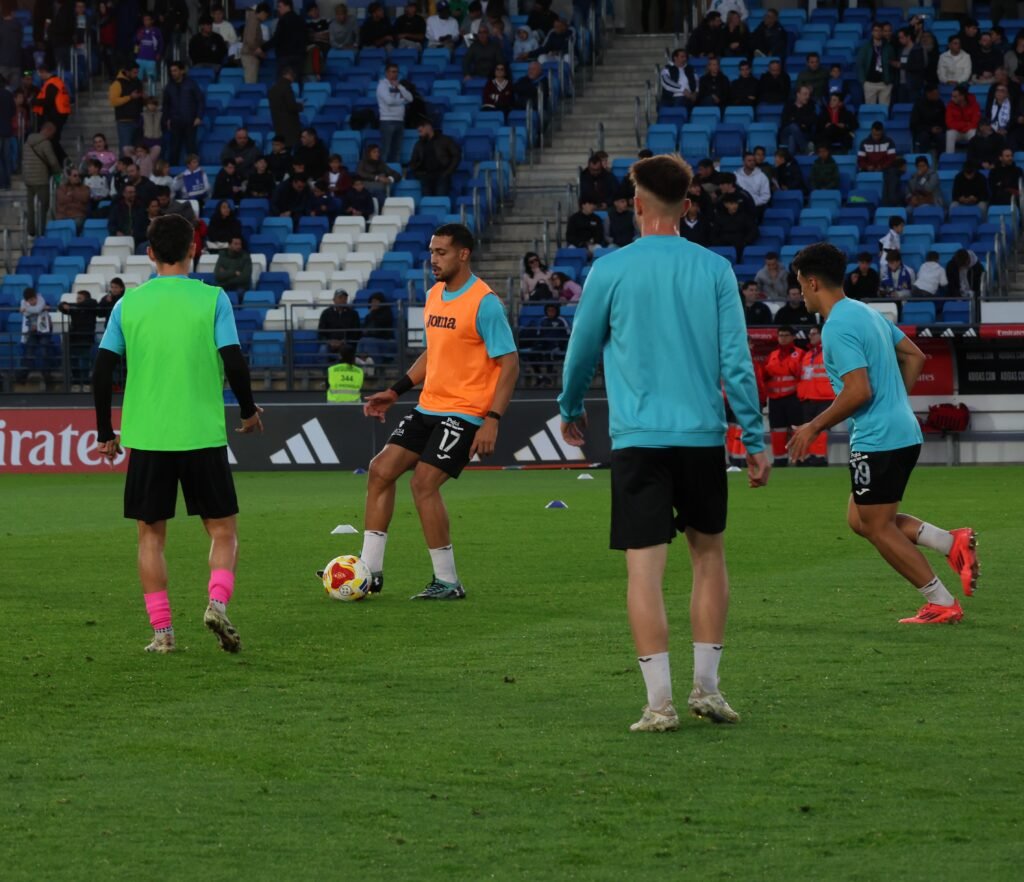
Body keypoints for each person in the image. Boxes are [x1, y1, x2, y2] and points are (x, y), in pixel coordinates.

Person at [558, 154, 768, 732]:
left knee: (644, 573)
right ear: (687, 205)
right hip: (701, 438)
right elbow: (736, 362)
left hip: (640, 440)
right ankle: (709, 690)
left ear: (637, 204)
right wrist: (754, 438)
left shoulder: (609, 269)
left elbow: (581, 352)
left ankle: (659, 705)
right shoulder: (715, 269)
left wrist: (570, 408)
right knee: (709, 558)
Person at [92, 213, 262, 655]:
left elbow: (102, 369)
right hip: (201, 433)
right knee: (223, 531)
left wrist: (105, 431)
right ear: (193, 249)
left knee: (150, 537)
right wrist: (248, 411)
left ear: (149, 253)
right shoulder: (213, 299)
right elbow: (234, 359)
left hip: (149, 437)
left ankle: (163, 633)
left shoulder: (128, 304)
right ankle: (217, 604)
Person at [788, 243, 978, 624]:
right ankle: (950, 542)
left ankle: (941, 601)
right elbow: (915, 356)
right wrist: (894, 403)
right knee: (860, 519)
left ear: (812, 282)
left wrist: (813, 425)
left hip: (879, 438)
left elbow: (858, 391)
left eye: (800, 284)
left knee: (876, 526)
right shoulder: (865, 312)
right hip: (902, 430)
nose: (800, 293)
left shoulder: (836, 327)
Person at [353, 223, 519, 601]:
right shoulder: (433, 295)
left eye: (441, 252)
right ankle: (369, 572)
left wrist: (492, 419)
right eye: (431, 252)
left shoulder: (484, 302)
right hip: (429, 406)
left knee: (423, 483)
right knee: (380, 470)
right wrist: (395, 390)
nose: (433, 259)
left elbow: (509, 364)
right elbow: (434, 352)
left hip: (465, 413)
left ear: (463, 254)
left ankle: (447, 581)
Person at [762, 325, 802, 466]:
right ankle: (779, 459)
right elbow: (764, 376)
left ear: (793, 337)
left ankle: (799, 458)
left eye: (786, 335)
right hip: (775, 399)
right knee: (777, 431)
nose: (783, 338)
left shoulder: (800, 354)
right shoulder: (772, 355)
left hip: (794, 397)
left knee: (796, 429)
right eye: (780, 335)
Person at [794, 325, 833, 466]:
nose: (811, 336)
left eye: (814, 333)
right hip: (808, 397)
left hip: (824, 397)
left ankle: (819, 457)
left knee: (820, 429)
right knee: (808, 429)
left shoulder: (829, 352)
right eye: (810, 334)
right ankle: (809, 456)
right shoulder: (808, 354)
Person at [162, 62, 204, 166]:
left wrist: (199, 116)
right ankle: (173, 172)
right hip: (175, 122)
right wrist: (166, 118)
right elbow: (166, 105)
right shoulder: (169, 86)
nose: (173, 73)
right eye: (171, 71)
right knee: (174, 148)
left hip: (190, 121)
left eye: (175, 70)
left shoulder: (191, 84)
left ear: (182, 71)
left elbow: (200, 100)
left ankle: (195, 170)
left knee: (191, 148)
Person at [24, 122, 61, 239]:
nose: (53, 136)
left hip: (28, 179)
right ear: (48, 130)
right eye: (52, 133)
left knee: (31, 207)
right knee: (43, 206)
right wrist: (57, 172)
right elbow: (53, 161)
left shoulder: (27, 142)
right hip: (41, 179)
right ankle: (41, 231)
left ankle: (31, 231)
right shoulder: (45, 143)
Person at [408, 120, 461, 197]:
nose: (420, 134)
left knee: (440, 200)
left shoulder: (445, 140)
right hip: (426, 177)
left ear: (428, 127)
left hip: (442, 176)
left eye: (421, 131)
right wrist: (418, 174)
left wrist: (447, 172)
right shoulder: (419, 144)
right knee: (427, 202)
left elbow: (456, 155)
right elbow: (413, 161)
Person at [58, 288, 99, 389]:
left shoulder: (91, 308)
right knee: (74, 362)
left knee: (84, 362)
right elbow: (61, 307)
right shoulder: (74, 309)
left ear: (86, 299)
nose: (77, 300)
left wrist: (72, 306)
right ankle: (76, 383)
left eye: (80, 298)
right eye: (77, 298)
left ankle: (85, 383)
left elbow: (93, 302)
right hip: (74, 339)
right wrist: (64, 305)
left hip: (86, 338)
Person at [377, 64, 413, 165]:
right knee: (386, 150)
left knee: (396, 150)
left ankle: (394, 171)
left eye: (396, 72)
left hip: (400, 120)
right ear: (387, 73)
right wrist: (402, 101)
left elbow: (410, 98)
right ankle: (383, 171)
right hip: (387, 121)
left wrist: (399, 87)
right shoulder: (382, 86)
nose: (395, 74)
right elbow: (389, 101)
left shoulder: (399, 86)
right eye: (392, 71)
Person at [261, 0, 306, 80]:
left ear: (287, 6)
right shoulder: (301, 19)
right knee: (296, 82)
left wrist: (262, 48)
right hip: (299, 57)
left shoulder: (283, 20)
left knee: (283, 82)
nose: (278, 9)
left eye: (280, 6)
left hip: (285, 56)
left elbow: (276, 39)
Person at [17, 286, 51, 383]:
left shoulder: (41, 299)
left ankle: (46, 375)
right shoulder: (23, 302)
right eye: (29, 301)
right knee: (29, 353)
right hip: (32, 332)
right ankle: (23, 376)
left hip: (44, 331)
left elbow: (37, 310)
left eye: (33, 299)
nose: (32, 302)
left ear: (36, 296)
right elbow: (26, 314)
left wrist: (26, 309)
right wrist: (31, 310)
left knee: (44, 352)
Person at [269, 68, 303, 149]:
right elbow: (291, 106)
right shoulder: (287, 88)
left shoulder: (272, 89)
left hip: (277, 124)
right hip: (289, 125)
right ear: (289, 75)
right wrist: (300, 106)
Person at [319, 289, 361, 354]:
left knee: (348, 349)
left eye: (345, 298)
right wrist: (329, 342)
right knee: (323, 350)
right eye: (340, 298)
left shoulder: (353, 314)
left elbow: (356, 332)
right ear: (334, 300)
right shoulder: (326, 313)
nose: (343, 300)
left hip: (346, 343)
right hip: (330, 344)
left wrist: (345, 341)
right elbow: (321, 332)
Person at [779, 85, 817, 156]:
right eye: (805, 94)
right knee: (793, 127)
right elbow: (784, 121)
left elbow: (812, 121)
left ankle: (791, 158)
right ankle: (806, 149)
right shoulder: (789, 104)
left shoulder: (810, 105)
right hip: (786, 133)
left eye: (809, 94)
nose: (807, 97)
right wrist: (801, 123)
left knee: (792, 137)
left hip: (803, 133)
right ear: (798, 94)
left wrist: (795, 119)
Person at [911, 83, 948, 154]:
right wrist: (930, 129)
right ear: (928, 94)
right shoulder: (918, 104)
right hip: (923, 130)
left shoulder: (940, 103)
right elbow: (914, 124)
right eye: (935, 94)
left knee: (942, 137)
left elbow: (944, 119)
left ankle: (941, 158)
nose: (937, 95)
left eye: (938, 93)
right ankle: (923, 157)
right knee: (924, 137)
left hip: (937, 130)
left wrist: (942, 128)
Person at [241, 2, 272, 85]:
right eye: (266, 16)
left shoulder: (253, 20)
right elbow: (250, 41)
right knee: (251, 83)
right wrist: (260, 53)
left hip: (250, 55)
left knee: (251, 81)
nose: (265, 18)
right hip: (250, 55)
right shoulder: (253, 21)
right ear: (263, 13)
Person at [946, 85, 981, 153]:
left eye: (955, 96)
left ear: (962, 96)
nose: (952, 98)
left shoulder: (974, 105)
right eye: (952, 96)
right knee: (950, 133)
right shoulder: (950, 105)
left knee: (973, 132)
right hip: (957, 131)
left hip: (969, 130)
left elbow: (975, 122)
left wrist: (964, 127)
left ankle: (973, 156)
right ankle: (949, 156)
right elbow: (949, 123)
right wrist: (965, 124)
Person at [54, 167, 91, 232]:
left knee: (75, 224)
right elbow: (61, 199)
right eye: (75, 175)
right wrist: (77, 198)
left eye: (79, 176)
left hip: (78, 215)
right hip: (63, 215)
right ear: (69, 177)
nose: (77, 177)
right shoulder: (62, 188)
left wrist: (71, 194)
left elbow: (85, 198)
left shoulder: (85, 188)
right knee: (59, 225)